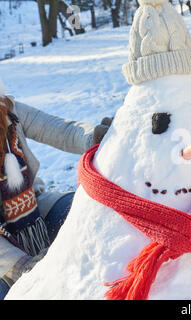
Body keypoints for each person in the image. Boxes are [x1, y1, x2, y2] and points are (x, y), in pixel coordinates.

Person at [0, 78, 112, 299]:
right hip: (3, 257)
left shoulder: (8, 111)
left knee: (89, 214)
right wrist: (21, 266)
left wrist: (94, 136)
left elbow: (59, 129)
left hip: (33, 211)